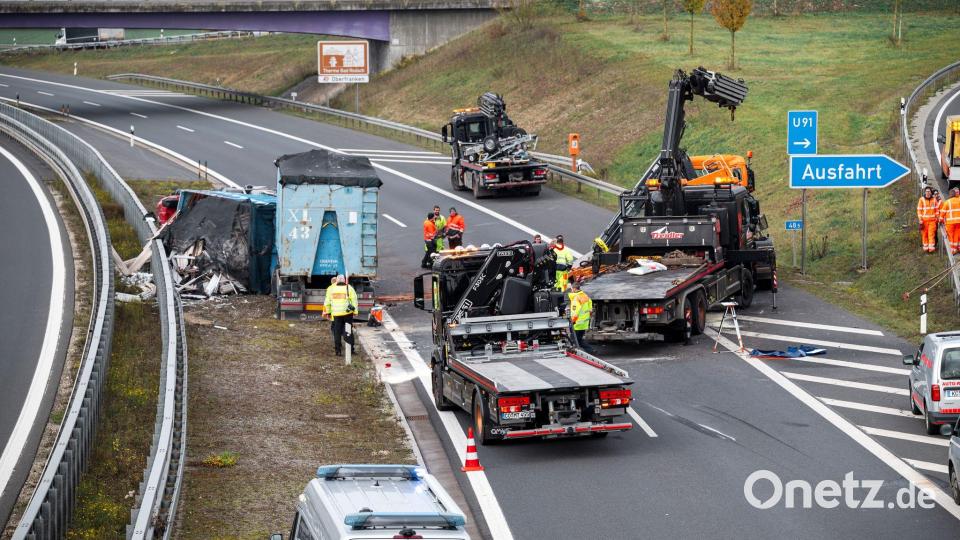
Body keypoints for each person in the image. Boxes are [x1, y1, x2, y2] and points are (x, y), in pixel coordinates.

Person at [324, 274, 358, 356]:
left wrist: (328, 312)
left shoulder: (332, 289)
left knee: (337, 332)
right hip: (347, 314)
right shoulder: (349, 288)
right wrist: (355, 312)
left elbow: (327, 302)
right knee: (348, 331)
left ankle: (338, 351)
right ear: (344, 280)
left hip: (336, 314)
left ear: (336, 281)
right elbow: (354, 300)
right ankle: (351, 350)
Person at [567, 280, 593, 353]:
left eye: (572, 289)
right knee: (579, 340)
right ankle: (591, 351)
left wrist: (572, 321)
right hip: (584, 323)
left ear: (574, 289)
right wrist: (589, 315)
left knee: (574, 340)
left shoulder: (576, 298)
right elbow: (590, 307)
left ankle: (587, 351)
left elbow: (575, 312)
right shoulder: (585, 296)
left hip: (577, 324)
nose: (571, 290)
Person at [918, 186, 940, 253]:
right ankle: (925, 247)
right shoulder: (921, 199)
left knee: (931, 234)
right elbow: (919, 210)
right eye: (927, 191)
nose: (928, 192)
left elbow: (936, 210)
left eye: (929, 191)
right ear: (925, 192)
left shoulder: (934, 200)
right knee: (924, 234)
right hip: (924, 221)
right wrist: (920, 220)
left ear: (931, 192)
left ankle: (931, 248)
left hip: (932, 221)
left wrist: (937, 217)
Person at [941, 188, 960, 254]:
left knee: (950, 236)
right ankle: (956, 248)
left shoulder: (947, 202)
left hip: (950, 223)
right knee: (957, 235)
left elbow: (943, 212)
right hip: (958, 222)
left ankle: (952, 250)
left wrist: (940, 219)